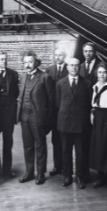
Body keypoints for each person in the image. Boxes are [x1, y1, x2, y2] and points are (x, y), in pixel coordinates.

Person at [16, 52, 53, 184]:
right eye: (25, 62)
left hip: (38, 118)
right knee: (28, 146)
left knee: (40, 146)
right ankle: (29, 172)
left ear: (36, 63)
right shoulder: (23, 76)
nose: (27, 65)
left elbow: (51, 102)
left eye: (30, 62)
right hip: (24, 116)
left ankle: (41, 173)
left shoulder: (45, 77)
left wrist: (47, 120)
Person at [55, 56, 92, 187]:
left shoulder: (86, 83)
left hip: (81, 124)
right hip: (65, 122)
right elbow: (57, 103)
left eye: (76, 65)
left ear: (79, 67)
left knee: (81, 151)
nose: (74, 67)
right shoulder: (60, 83)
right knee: (65, 151)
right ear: (67, 67)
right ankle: (67, 176)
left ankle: (80, 177)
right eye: (71, 65)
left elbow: (88, 104)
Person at [0, 51, 19, 179]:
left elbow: (16, 93)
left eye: (5, 59)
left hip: (8, 113)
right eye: (1, 59)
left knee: (8, 142)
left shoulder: (13, 74)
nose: (4, 61)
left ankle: (7, 170)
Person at [88, 62, 107, 187]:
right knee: (98, 147)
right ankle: (100, 176)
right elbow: (93, 105)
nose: (102, 75)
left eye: (104, 72)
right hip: (97, 118)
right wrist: (92, 115)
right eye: (100, 72)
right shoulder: (94, 87)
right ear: (96, 73)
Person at [48, 45, 70, 175]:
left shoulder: (70, 69)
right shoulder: (49, 70)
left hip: (66, 111)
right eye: (56, 55)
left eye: (60, 55)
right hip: (53, 112)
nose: (58, 57)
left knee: (66, 140)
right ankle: (57, 166)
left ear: (65, 56)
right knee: (55, 140)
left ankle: (67, 167)